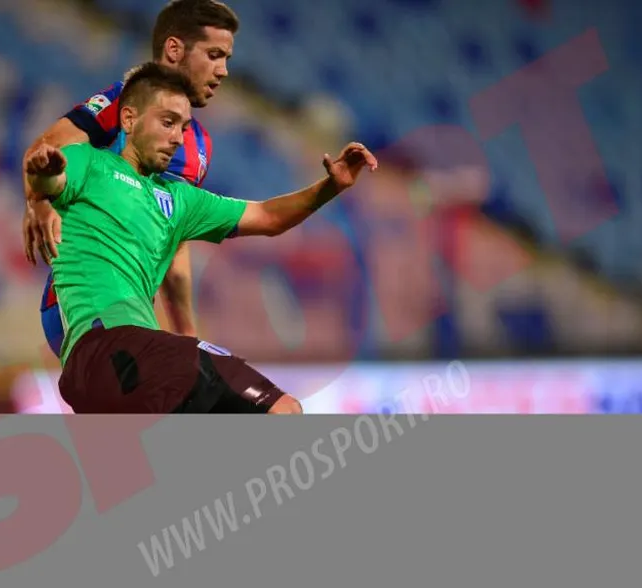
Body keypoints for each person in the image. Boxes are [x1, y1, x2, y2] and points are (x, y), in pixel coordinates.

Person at [23, 63, 377, 414]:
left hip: (121, 373)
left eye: (183, 126)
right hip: (110, 346)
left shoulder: (179, 200)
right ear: (129, 120)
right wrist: (41, 180)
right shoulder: (89, 164)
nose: (178, 138)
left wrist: (331, 186)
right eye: (167, 122)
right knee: (282, 409)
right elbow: (52, 179)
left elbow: (268, 217)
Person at [23, 0, 239, 358]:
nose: (224, 71)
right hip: (83, 303)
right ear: (174, 50)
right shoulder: (125, 104)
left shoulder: (198, 143)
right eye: (214, 55)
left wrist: (187, 334)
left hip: (131, 309)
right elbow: (45, 149)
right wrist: (38, 202)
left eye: (226, 58)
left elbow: (173, 244)